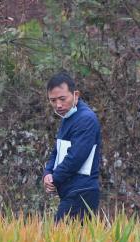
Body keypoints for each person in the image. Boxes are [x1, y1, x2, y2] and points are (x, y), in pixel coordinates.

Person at [42, 73, 102, 222]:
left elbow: (75, 158)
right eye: (53, 100)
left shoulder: (85, 119)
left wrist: (54, 179)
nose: (58, 105)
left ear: (76, 95)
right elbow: (57, 151)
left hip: (81, 193)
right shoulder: (68, 117)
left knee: (56, 240)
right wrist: (47, 173)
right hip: (72, 192)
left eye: (62, 99)